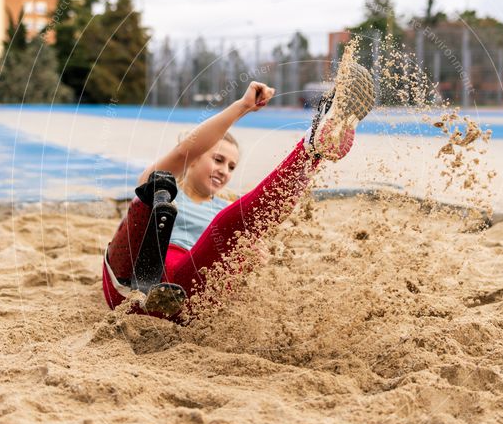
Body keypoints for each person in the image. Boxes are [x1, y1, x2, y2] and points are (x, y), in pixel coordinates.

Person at [102, 61, 375, 321]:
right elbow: (184, 150)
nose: (224, 170)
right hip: (127, 284)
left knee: (235, 229)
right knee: (151, 191)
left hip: (183, 300)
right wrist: (242, 107)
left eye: (232, 166)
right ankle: (311, 149)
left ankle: (312, 151)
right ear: (195, 159)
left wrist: (249, 258)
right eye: (218, 159)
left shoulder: (225, 211)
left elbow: (245, 243)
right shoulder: (168, 184)